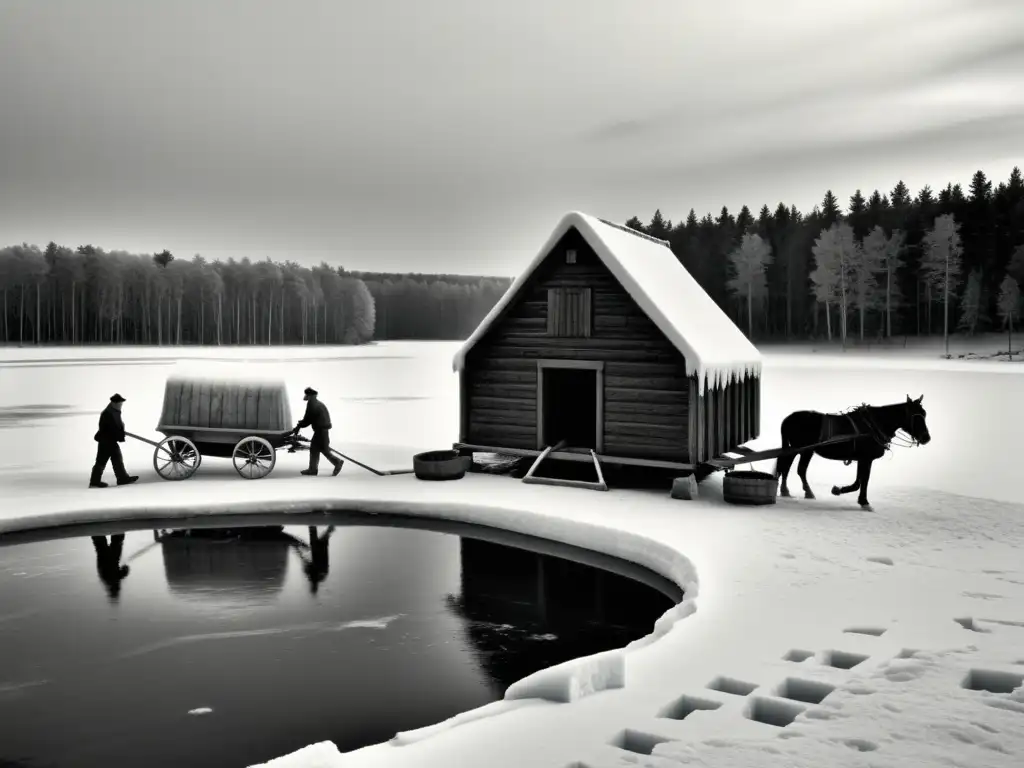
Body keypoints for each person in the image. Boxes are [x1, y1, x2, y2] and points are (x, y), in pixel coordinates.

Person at [89, 393, 139, 488]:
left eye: (121, 404)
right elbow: (109, 428)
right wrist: (119, 434)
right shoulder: (107, 413)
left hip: (110, 440)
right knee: (101, 461)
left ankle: (122, 478)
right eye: (120, 403)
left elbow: (117, 426)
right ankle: (95, 482)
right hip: (106, 441)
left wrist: (120, 433)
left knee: (117, 459)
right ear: (114, 403)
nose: (121, 405)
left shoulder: (114, 411)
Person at [293, 387, 343, 476]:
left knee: (318, 449)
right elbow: (309, 419)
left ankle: (336, 462)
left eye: (306, 395)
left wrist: (298, 426)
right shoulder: (316, 403)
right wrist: (300, 424)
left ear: (309, 395)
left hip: (321, 430)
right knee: (319, 449)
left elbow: (307, 420)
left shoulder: (312, 404)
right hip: (322, 430)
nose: (305, 396)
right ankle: (313, 469)